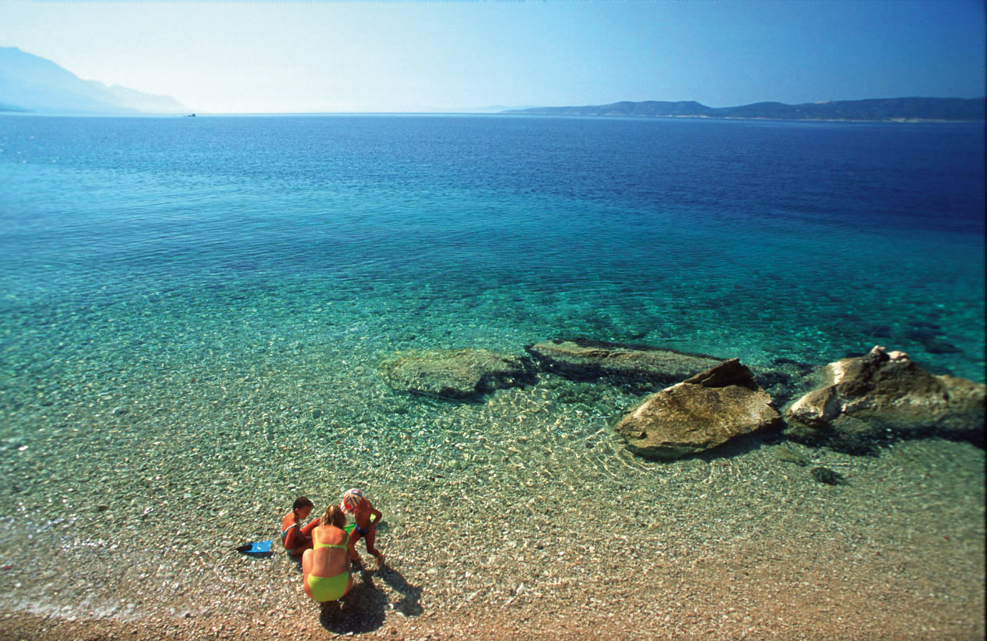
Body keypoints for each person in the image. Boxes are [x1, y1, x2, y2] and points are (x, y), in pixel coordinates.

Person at [302, 504, 354, 603]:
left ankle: (315, 584)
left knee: (308, 552)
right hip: (342, 589)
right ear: (342, 519)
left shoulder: (316, 531)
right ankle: (339, 583)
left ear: (324, 517)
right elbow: (354, 555)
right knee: (346, 555)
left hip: (313, 590)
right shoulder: (345, 535)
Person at [341, 488, 385, 568]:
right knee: (348, 544)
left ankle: (380, 557)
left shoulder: (367, 508)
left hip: (368, 531)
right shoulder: (358, 500)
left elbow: (379, 515)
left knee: (370, 550)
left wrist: (371, 526)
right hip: (358, 528)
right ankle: (356, 558)